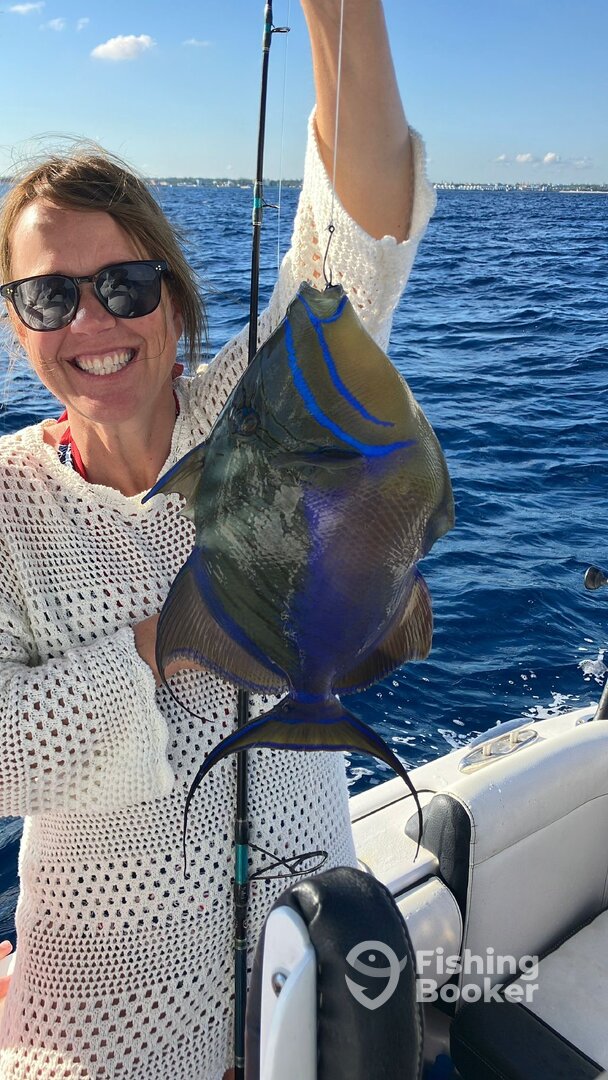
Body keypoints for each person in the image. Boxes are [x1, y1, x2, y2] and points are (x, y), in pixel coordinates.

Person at [0, 1, 436, 1076]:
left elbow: (361, 230)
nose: (92, 322)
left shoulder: (264, 398)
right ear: (15, 323)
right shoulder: (6, 503)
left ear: (175, 298)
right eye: (49, 296)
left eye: (124, 284)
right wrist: (175, 639)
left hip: (309, 958)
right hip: (96, 1013)